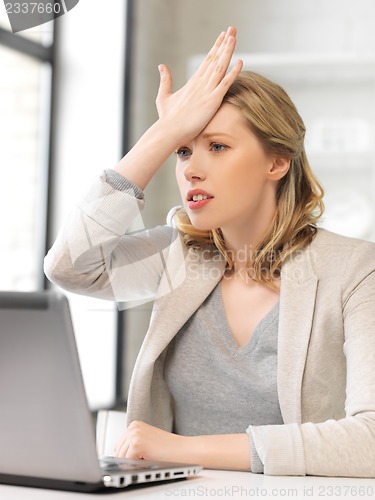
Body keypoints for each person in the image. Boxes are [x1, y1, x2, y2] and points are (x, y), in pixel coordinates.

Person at [44, 27, 375, 477]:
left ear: (277, 161)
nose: (192, 170)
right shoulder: (179, 255)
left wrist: (182, 448)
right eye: (183, 151)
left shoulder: (355, 270)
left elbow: (369, 440)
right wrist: (162, 133)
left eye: (217, 147)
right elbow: (69, 267)